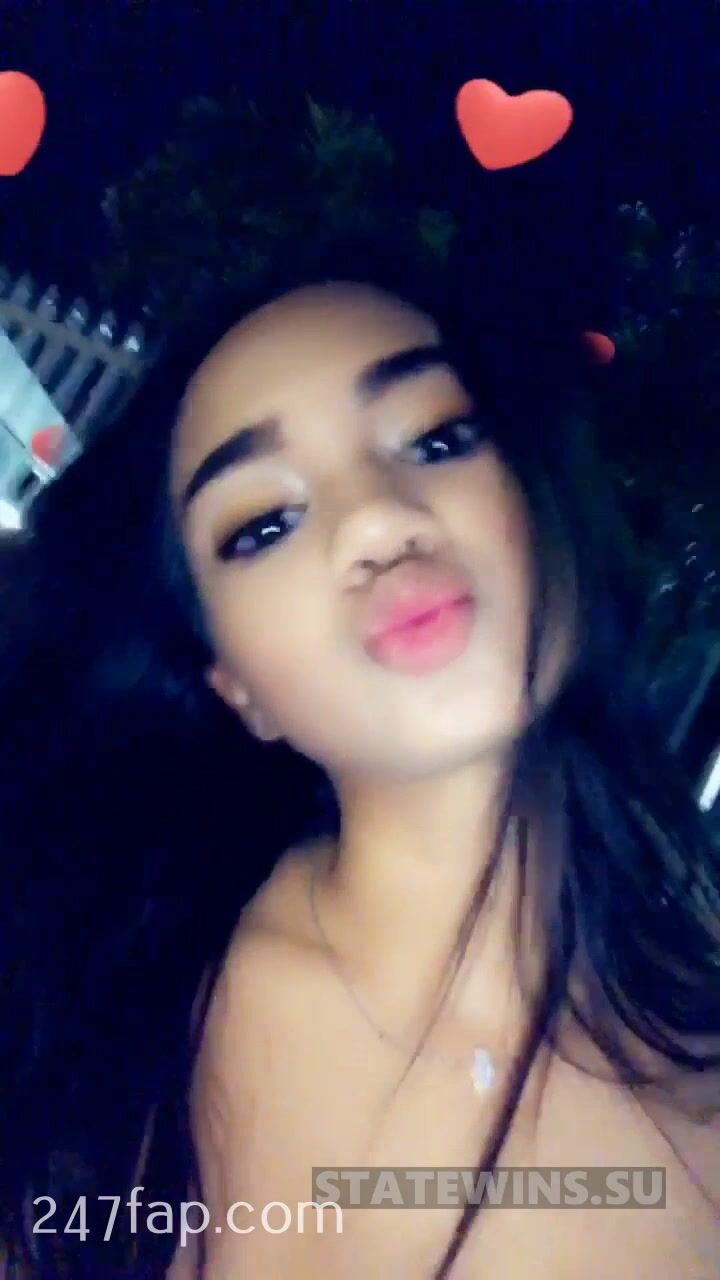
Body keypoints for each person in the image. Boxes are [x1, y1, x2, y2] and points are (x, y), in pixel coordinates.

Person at [0, 232, 718, 1280]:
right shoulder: (105, 1045)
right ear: (235, 684)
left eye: (437, 437)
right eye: (264, 524)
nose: (377, 519)